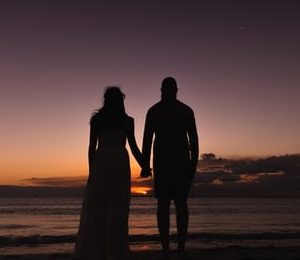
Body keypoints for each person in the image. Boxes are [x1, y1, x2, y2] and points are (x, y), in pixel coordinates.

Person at [74, 87, 144, 260]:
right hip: (119, 161)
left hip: (102, 161)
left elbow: (91, 147)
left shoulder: (98, 119)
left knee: (98, 207)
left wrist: (92, 171)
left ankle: (98, 250)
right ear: (121, 101)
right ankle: (116, 250)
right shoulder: (127, 121)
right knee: (119, 208)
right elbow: (134, 147)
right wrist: (145, 165)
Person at [141, 77, 199, 258]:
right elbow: (194, 142)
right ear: (176, 90)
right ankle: (180, 247)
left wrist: (145, 165)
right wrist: (193, 165)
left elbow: (147, 142)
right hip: (180, 163)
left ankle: (167, 247)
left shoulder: (154, 111)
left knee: (164, 205)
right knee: (180, 204)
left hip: (164, 163)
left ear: (161, 90)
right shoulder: (186, 111)